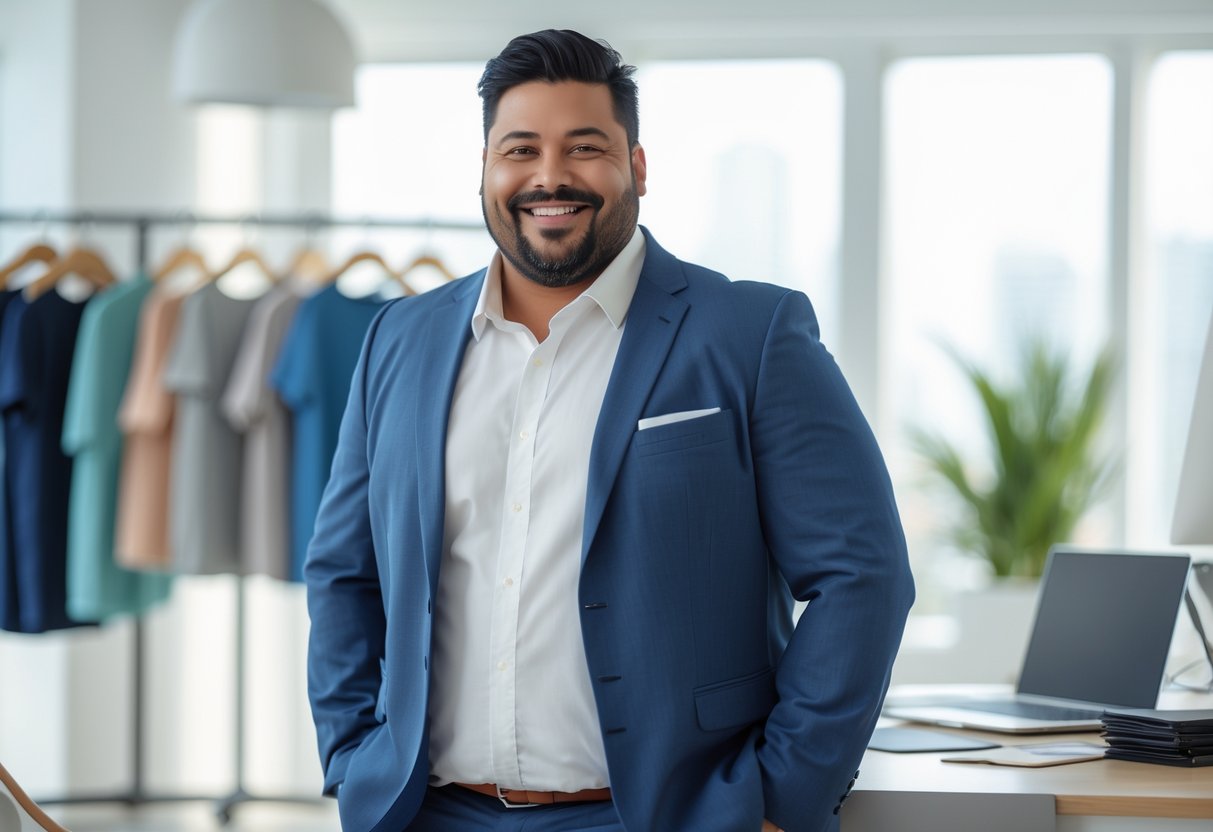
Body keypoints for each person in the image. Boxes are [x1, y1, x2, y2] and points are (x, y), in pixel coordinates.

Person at [305, 29, 914, 832]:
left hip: (667, 816)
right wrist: (352, 758)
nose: (549, 175)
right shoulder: (398, 339)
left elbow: (860, 577)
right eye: (519, 149)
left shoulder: (749, 332)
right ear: (485, 169)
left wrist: (780, 798)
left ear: (636, 166)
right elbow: (344, 572)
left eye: (583, 147)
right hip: (427, 813)